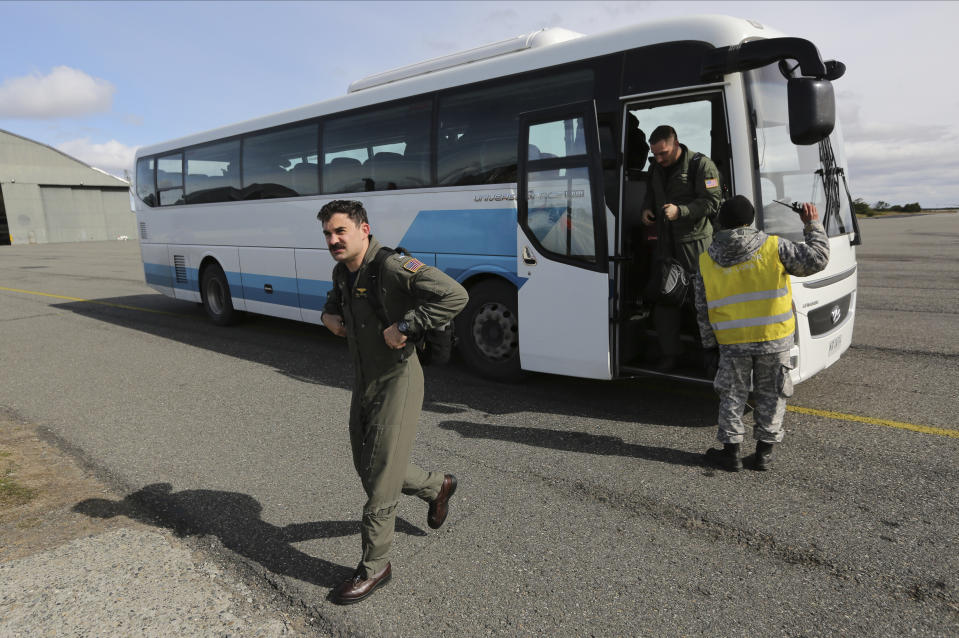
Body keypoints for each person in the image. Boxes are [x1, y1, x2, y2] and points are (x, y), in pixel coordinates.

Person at [318, 199, 468, 604]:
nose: (333, 240)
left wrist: (407, 325)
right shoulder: (342, 271)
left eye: (340, 231)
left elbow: (455, 295)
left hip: (398, 379)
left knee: (380, 483)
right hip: (364, 380)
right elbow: (336, 304)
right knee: (369, 468)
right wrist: (327, 316)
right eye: (328, 234)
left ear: (363, 229)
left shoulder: (391, 266)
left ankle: (375, 566)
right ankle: (438, 486)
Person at [694, 195, 829, 472]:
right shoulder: (774, 247)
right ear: (751, 220)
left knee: (732, 395)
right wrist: (812, 224)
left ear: (721, 222)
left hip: (732, 342)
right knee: (772, 395)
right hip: (774, 337)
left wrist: (709, 346)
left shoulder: (706, 260)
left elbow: (702, 308)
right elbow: (818, 259)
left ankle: (730, 454)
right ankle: (763, 455)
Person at [641, 125, 722, 371]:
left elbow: (713, 202)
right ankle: (670, 355)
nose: (659, 159)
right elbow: (650, 193)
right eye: (654, 154)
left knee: (703, 303)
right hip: (666, 246)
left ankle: (711, 358)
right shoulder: (655, 167)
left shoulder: (702, 165)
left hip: (697, 246)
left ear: (676, 143)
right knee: (665, 300)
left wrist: (681, 211)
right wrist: (647, 209)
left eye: (663, 153)